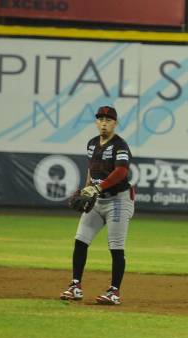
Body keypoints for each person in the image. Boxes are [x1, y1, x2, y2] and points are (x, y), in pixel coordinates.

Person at [60, 106, 135, 305]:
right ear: (96, 122)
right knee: (80, 240)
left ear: (115, 123)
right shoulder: (92, 144)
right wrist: (86, 190)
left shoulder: (120, 145)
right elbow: (91, 171)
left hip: (119, 200)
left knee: (116, 247)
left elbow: (121, 172)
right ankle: (75, 286)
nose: (104, 122)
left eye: (108, 120)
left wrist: (97, 188)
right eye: (101, 119)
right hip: (97, 199)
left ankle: (114, 292)